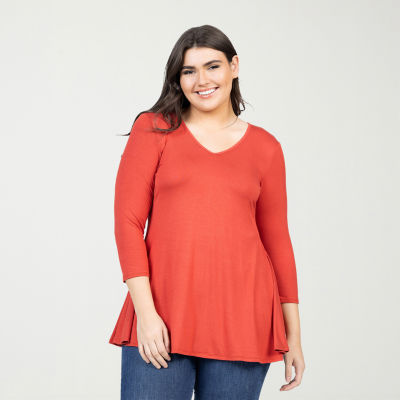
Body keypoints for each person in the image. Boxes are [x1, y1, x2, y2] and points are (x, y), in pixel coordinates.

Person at [109, 24, 305, 399]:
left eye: (212, 66)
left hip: (243, 319)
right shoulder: (154, 129)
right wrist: (146, 315)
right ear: (178, 78)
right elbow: (128, 223)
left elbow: (277, 242)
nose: (202, 80)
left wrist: (293, 335)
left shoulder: (266, 148)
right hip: (163, 315)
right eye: (189, 71)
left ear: (234, 66)